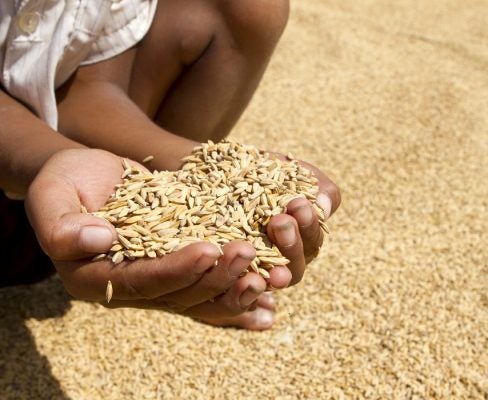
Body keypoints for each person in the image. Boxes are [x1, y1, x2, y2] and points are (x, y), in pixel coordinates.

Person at [0, 0, 341, 330]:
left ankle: (195, 270)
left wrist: (198, 165)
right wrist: (49, 162)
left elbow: (89, 84)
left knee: (250, 6)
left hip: (69, 211)